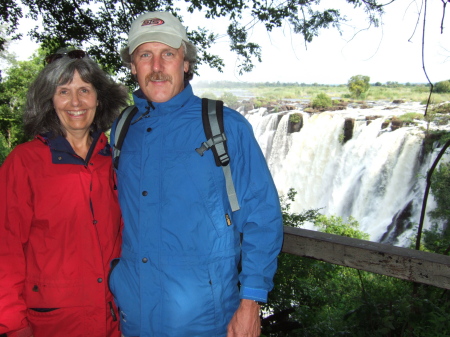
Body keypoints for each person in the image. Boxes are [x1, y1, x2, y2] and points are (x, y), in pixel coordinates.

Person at [108, 11, 283, 337]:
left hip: (207, 320)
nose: (157, 66)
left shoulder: (224, 126)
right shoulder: (122, 128)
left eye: (168, 54)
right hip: (133, 315)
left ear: (185, 62)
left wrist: (251, 302)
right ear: (133, 66)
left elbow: (262, 217)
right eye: (145, 55)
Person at [0, 49, 129, 337]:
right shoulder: (25, 162)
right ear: (49, 100)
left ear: (99, 98)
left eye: (84, 89)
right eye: (64, 91)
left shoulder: (116, 160)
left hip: (113, 320)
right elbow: (4, 249)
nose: (76, 102)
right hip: (50, 324)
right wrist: (13, 324)